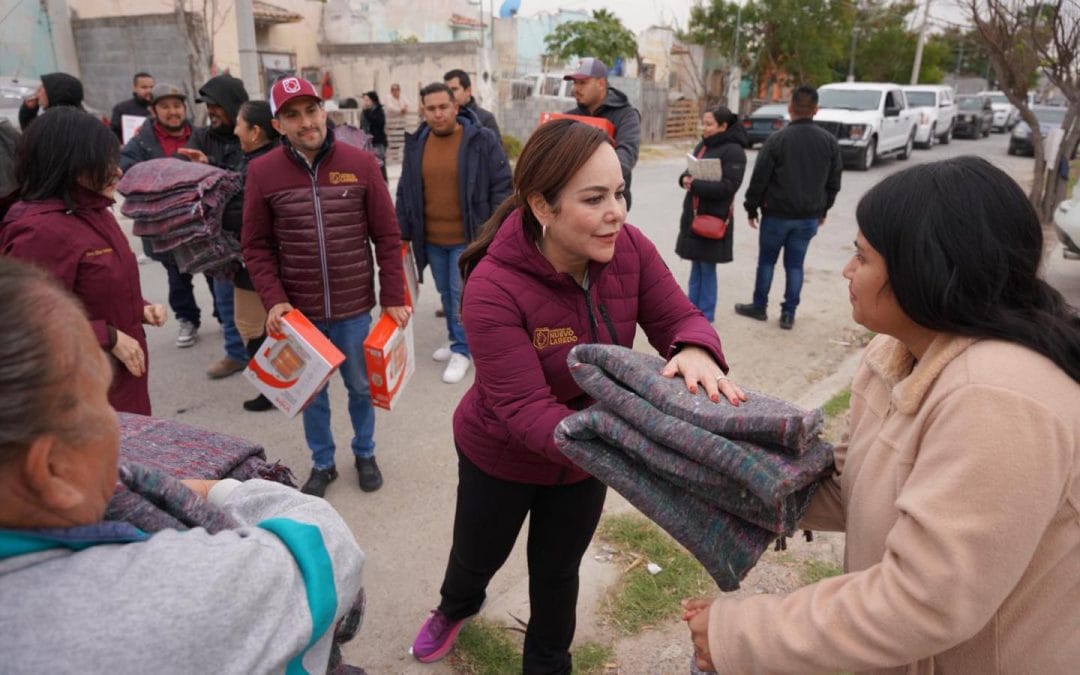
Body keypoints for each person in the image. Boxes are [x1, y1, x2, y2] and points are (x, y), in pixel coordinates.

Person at [684, 156, 1080, 674]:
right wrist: (711, 472)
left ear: (926, 268)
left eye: (862, 257)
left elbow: (924, 599)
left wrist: (739, 633)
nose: (848, 271)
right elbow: (853, 483)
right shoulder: (898, 356)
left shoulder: (997, 398)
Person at [409, 119, 746, 671]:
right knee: (477, 556)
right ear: (543, 206)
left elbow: (680, 316)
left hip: (586, 461)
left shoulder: (629, 249)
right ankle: (456, 606)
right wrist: (619, 441)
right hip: (503, 455)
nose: (618, 212)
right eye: (595, 199)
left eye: (619, 193)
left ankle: (548, 664)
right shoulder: (493, 287)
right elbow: (523, 409)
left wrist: (695, 349)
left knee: (558, 571)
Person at [0, 256, 365, 673]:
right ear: (53, 471)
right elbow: (328, 548)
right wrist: (221, 491)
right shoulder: (153, 601)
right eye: (102, 400)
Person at [243, 76, 409, 497]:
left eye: (311, 111)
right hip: (300, 314)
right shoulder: (262, 172)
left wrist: (393, 296)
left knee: (359, 387)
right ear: (278, 125)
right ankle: (323, 462)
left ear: (324, 111)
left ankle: (365, 452)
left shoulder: (361, 163)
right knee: (312, 395)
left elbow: (387, 236)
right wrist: (274, 300)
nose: (306, 122)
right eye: (292, 115)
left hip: (354, 308)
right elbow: (256, 245)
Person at [0, 107, 166, 415]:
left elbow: (97, 283)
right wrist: (108, 335)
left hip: (121, 377)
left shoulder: (95, 210)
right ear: (72, 165)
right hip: (79, 388)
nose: (117, 171)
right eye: (105, 163)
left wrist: (139, 307)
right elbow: (28, 322)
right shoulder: (38, 231)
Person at [396, 82, 511, 384]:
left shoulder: (480, 140)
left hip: (468, 236)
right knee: (446, 293)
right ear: (423, 111)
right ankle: (455, 338)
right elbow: (405, 190)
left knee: (460, 293)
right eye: (431, 109)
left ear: (456, 108)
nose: (437, 114)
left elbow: (502, 185)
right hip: (432, 239)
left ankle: (463, 350)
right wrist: (403, 231)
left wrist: (492, 228)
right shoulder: (417, 143)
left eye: (443, 107)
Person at [735, 84, 842, 330]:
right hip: (808, 217)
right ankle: (788, 314)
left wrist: (751, 208)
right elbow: (834, 182)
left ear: (791, 108)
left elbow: (760, 179)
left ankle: (759, 307)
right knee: (795, 264)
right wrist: (823, 210)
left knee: (767, 262)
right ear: (816, 110)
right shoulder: (829, 142)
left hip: (776, 215)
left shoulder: (777, 140)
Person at [119, 82, 204, 351]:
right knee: (178, 275)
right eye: (165, 106)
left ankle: (225, 318)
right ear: (153, 110)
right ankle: (187, 319)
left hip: (199, 218)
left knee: (216, 272)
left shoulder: (200, 135)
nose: (173, 112)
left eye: (177, 105)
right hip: (164, 223)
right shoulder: (141, 141)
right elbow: (126, 169)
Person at [185, 73, 251, 379]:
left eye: (216, 105)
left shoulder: (250, 133)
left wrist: (210, 165)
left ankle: (275, 358)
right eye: (207, 106)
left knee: (267, 298)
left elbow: (248, 177)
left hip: (253, 231)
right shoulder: (201, 136)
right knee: (225, 296)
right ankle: (236, 354)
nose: (211, 111)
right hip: (218, 235)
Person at [675, 106, 748, 322]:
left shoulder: (734, 151)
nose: (704, 128)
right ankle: (691, 312)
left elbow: (728, 187)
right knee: (696, 265)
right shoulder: (704, 145)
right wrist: (685, 179)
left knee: (707, 268)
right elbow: (689, 170)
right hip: (695, 214)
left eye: (709, 124)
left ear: (723, 126)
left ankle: (705, 317)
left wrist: (695, 184)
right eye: (703, 123)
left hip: (714, 217)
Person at [233, 100, 280, 413]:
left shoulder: (257, 168)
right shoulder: (274, 161)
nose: (235, 129)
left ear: (254, 131)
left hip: (255, 264)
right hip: (271, 261)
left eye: (240, 123)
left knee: (253, 328)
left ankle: (271, 391)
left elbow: (243, 218)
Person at [563, 57, 641, 209]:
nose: (575, 89)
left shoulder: (626, 115)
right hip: (571, 205)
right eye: (575, 83)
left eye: (583, 83)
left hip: (610, 205)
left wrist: (583, 174)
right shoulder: (568, 117)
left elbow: (626, 156)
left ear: (601, 83)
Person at [443, 68, 500, 137]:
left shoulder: (485, 119)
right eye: (446, 90)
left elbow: (495, 147)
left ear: (468, 91)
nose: (450, 94)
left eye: (454, 89)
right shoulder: (440, 117)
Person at [18, 72, 84, 130]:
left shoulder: (55, 125)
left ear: (55, 93)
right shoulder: (80, 120)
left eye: (43, 87)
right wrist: (29, 111)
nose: (37, 91)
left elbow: (33, 137)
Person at [109, 71, 154, 140]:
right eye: (144, 87)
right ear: (135, 88)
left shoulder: (158, 108)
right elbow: (112, 133)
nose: (149, 91)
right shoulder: (121, 108)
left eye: (151, 87)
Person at [361, 91, 388, 183]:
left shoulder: (379, 111)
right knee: (370, 164)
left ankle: (383, 183)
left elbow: (379, 123)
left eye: (367, 100)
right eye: (364, 100)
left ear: (373, 100)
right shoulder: (364, 112)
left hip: (378, 142)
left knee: (380, 163)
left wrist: (366, 114)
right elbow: (362, 127)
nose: (365, 102)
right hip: (367, 142)